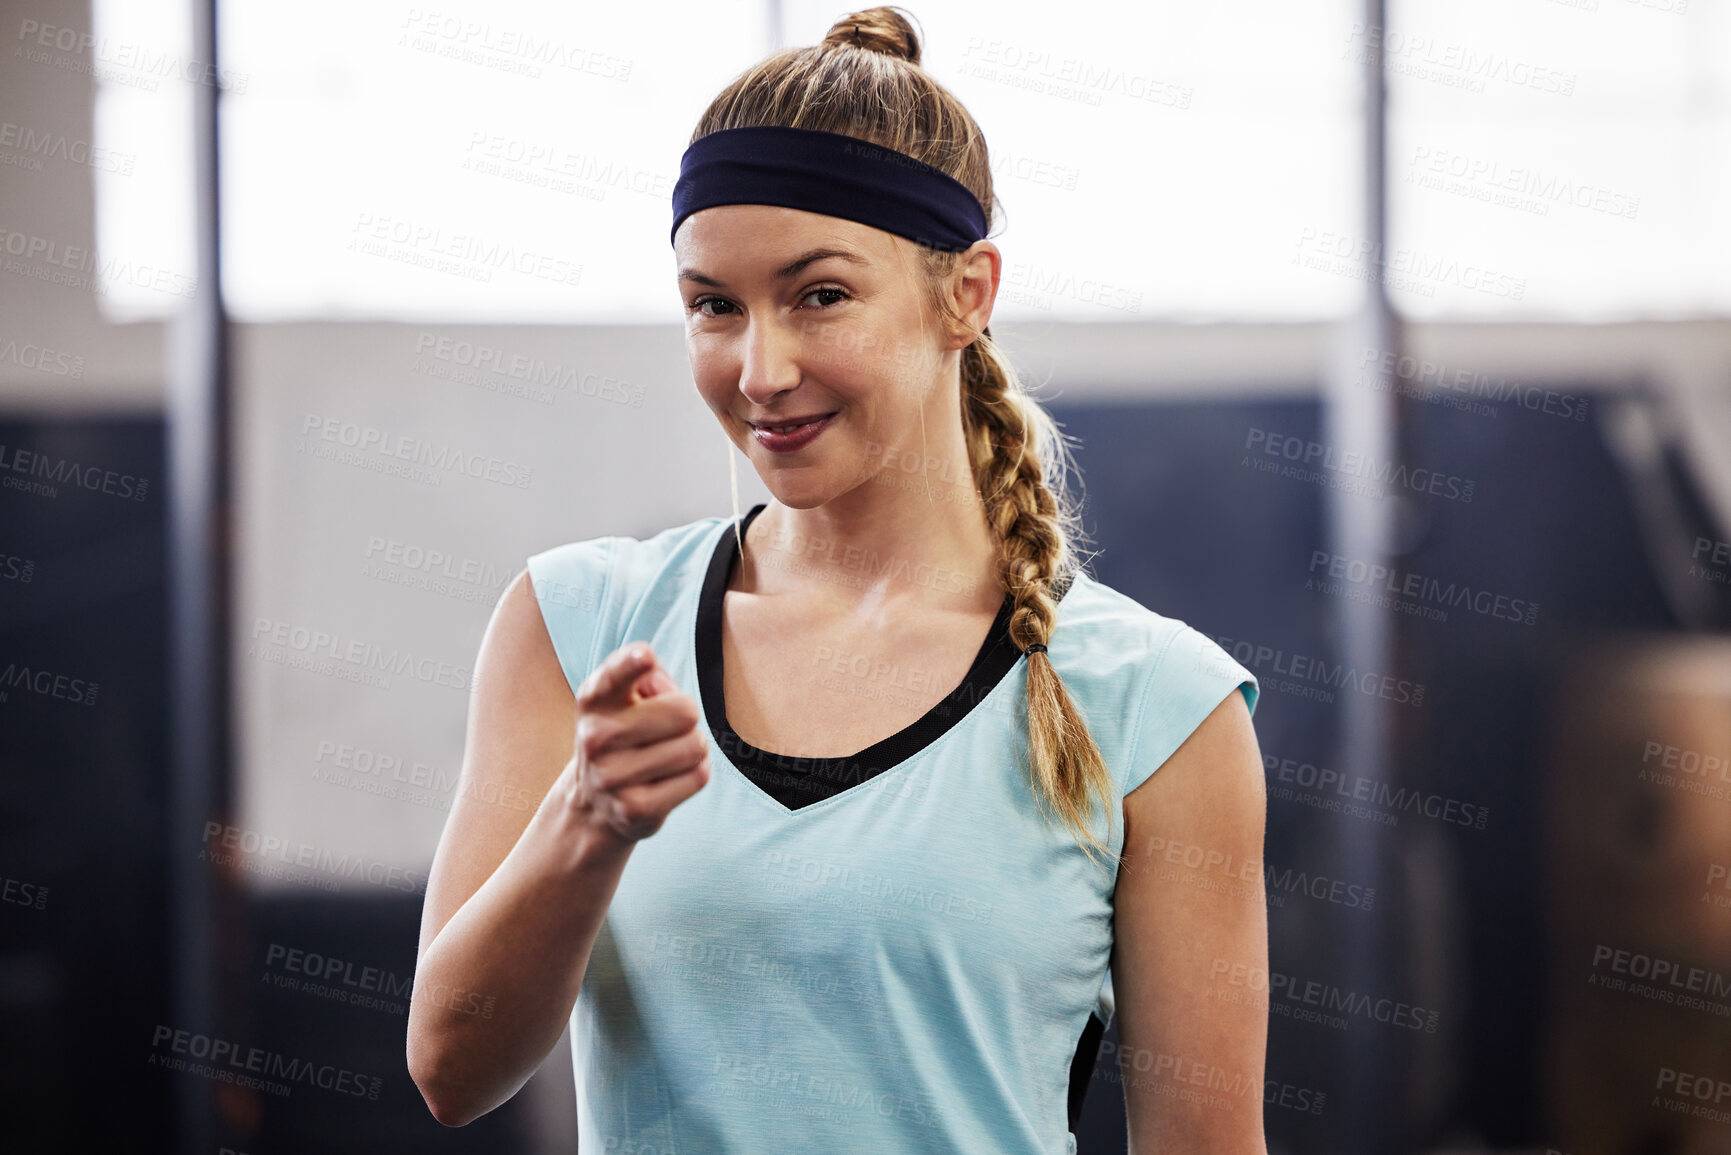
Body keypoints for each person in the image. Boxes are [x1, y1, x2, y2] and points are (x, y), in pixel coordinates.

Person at [407, 7, 1268, 1152]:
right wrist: (587, 819)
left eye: (819, 296)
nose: (760, 370)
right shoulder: (577, 624)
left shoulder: (1157, 702)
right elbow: (451, 1072)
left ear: (966, 293)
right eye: (714, 305)